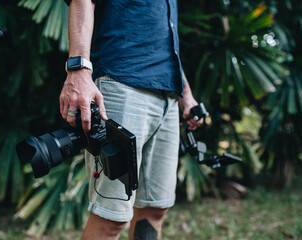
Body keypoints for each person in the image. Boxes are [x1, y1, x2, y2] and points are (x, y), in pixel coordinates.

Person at [59, 0, 203, 239]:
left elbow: (165, 37)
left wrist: (186, 95)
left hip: (167, 96)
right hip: (121, 85)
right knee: (111, 219)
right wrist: (78, 70)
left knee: (154, 210)